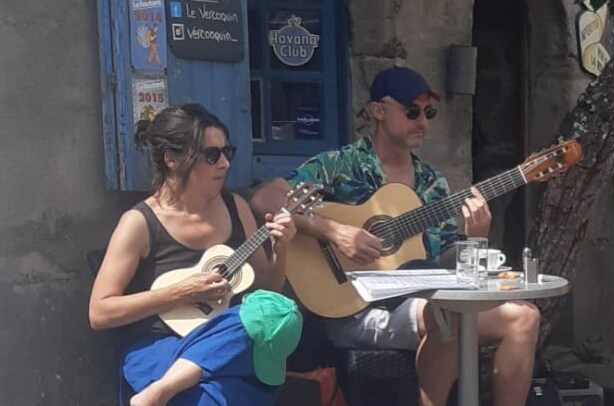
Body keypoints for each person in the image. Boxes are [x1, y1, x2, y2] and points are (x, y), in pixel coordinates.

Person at [250, 65, 541, 406]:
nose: (423, 122)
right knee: (449, 314)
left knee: (524, 316)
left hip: (418, 302)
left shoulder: (433, 183)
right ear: (378, 111)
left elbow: (450, 263)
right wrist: (335, 230)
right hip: (354, 306)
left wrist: (476, 239)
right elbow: (264, 198)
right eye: (412, 111)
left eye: (428, 113)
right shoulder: (342, 165)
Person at [88, 103, 302, 406]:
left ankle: (163, 390)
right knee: (222, 393)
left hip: (229, 340)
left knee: (277, 313)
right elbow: (99, 313)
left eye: (228, 152)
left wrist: (281, 251)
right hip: (160, 346)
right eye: (212, 155)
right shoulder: (139, 223)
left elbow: (265, 295)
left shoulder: (236, 208)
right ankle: (171, 384)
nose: (225, 164)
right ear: (172, 160)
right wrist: (181, 292)